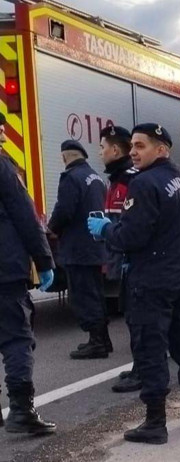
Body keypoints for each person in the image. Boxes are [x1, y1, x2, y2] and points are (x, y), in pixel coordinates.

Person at [88, 123, 180, 445]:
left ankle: (155, 423)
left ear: (161, 149)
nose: (133, 153)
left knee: (151, 350)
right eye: (133, 147)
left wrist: (105, 230)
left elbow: (131, 236)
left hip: (152, 283)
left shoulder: (144, 184)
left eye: (141, 146)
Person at [0, 113, 57, 434]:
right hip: (5, 271)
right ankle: (21, 410)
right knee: (17, 339)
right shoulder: (3, 167)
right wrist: (45, 260)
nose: (4, 133)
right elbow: (26, 216)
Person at [47, 140, 109, 360]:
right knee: (96, 294)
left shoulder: (71, 178)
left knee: (83, 296)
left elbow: (64, 211)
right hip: (94, 246)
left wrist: (51, 228)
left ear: (65, 157)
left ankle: (97, 342)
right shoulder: (95, 177)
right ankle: (102, 339)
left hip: (78, 249)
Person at [99, 126, 142, 393]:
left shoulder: (127, 180)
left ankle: (143, 370)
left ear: (115, 150)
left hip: (133, 261)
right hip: (128, 259)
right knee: (131, 316)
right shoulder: (120, 178)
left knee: (137, 318)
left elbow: (126, 226)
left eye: (102, 147)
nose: (101, 153)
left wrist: (105, 229)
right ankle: (141, 365)